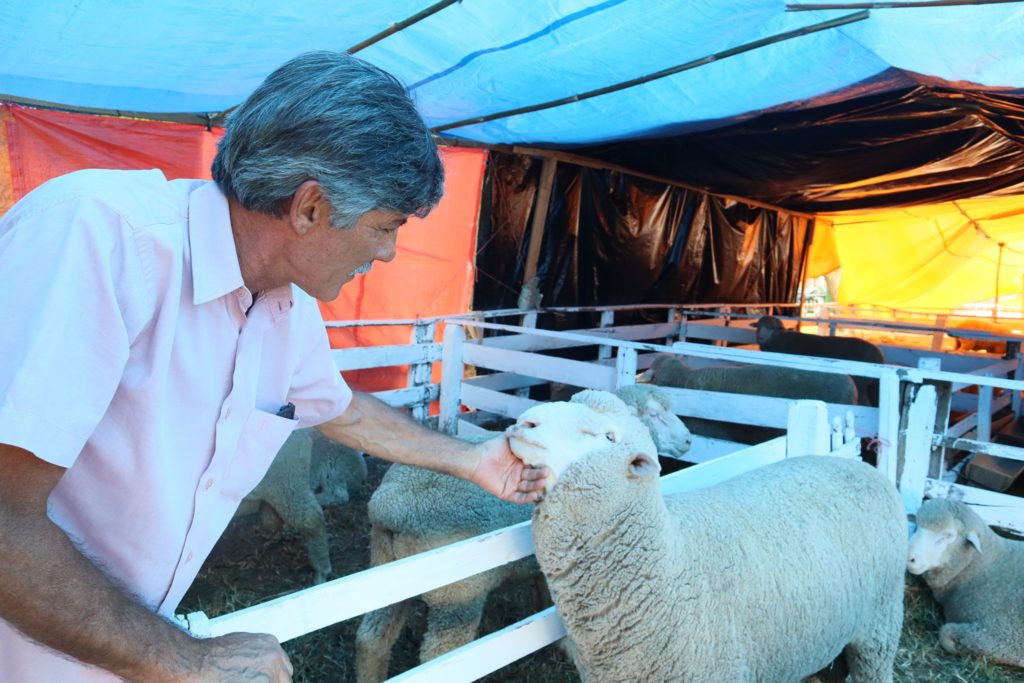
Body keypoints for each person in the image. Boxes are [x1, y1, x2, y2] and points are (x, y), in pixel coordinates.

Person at [0, 51, 546, 682]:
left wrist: (471, 460)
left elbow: (339, 409)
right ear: (310, 208)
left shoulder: (286, 304)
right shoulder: (95, 238)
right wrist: (184, 657)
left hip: (117, 648)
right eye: (384, 227)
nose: (390, 252)